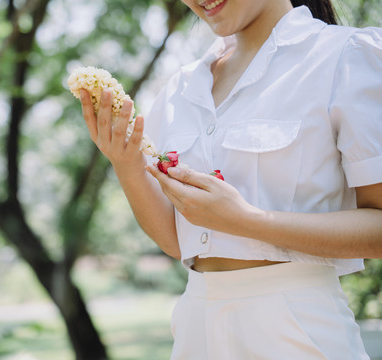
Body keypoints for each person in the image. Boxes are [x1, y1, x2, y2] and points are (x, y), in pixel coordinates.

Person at [78, 0, 382, 358]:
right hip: (196, 324)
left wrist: (246, 221)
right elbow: (182, 244)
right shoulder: (181, 87)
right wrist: (125, 164)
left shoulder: (345, 57)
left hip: (296, 328)